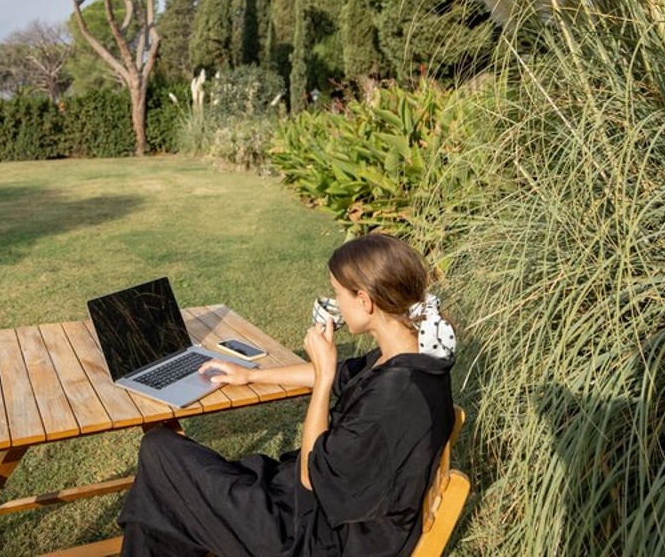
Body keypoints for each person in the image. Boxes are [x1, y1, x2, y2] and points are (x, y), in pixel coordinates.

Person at [117, 233, 457, 557]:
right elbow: (342, 375)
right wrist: (250, 375)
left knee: (161, 452)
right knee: (168, 472)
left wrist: (322, 379)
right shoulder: (411, 357)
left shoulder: (392, 397)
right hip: (318, 509)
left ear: (365, 301)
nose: (335, 303)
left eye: (338, 294)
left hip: (314, 538)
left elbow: (312, 474)